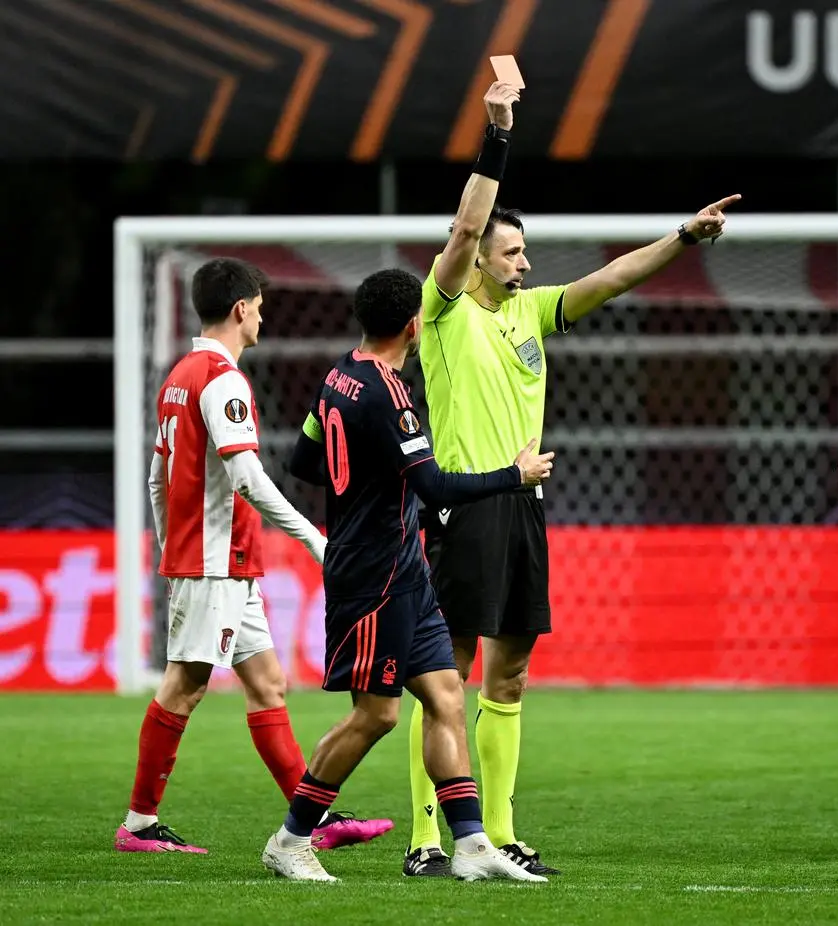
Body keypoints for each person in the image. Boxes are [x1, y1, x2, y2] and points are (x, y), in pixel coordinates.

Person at [401, 78, 741, 877]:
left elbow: (616, 277)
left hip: (524, 504)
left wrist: (683, 237)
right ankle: (425, 838)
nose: (525, 260)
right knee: (443, 675)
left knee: (509, 672)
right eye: (511, 250)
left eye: (524, 252)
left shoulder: (532, 310)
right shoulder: (447, 307)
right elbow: (465, 226)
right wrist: (497, 136)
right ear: (479, 254)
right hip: (464, 503)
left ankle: (499, 828)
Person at [259, 268, 554, 883]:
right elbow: (434, 485)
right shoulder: (390, 396)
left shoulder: (339, 374)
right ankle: (290, 839)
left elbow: (305, 460)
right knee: (377, 715)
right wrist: (514, 475)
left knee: (447, 695)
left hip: (405, 566)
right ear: (414, 325)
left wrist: (362, 479)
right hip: (373, 572)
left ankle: (471, 845)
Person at [118, 257, 391, 855]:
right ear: (241, 309)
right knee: (185, 685)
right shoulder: (221, 378)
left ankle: (311, 820)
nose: (262, 316)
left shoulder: (179, 376)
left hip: (220, 561)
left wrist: (171, 548)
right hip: (213, 562)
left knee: (267, 684)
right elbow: (246, 477)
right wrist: (316, 539)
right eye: (260, 307)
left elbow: (157, 481)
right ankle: (138, 823)